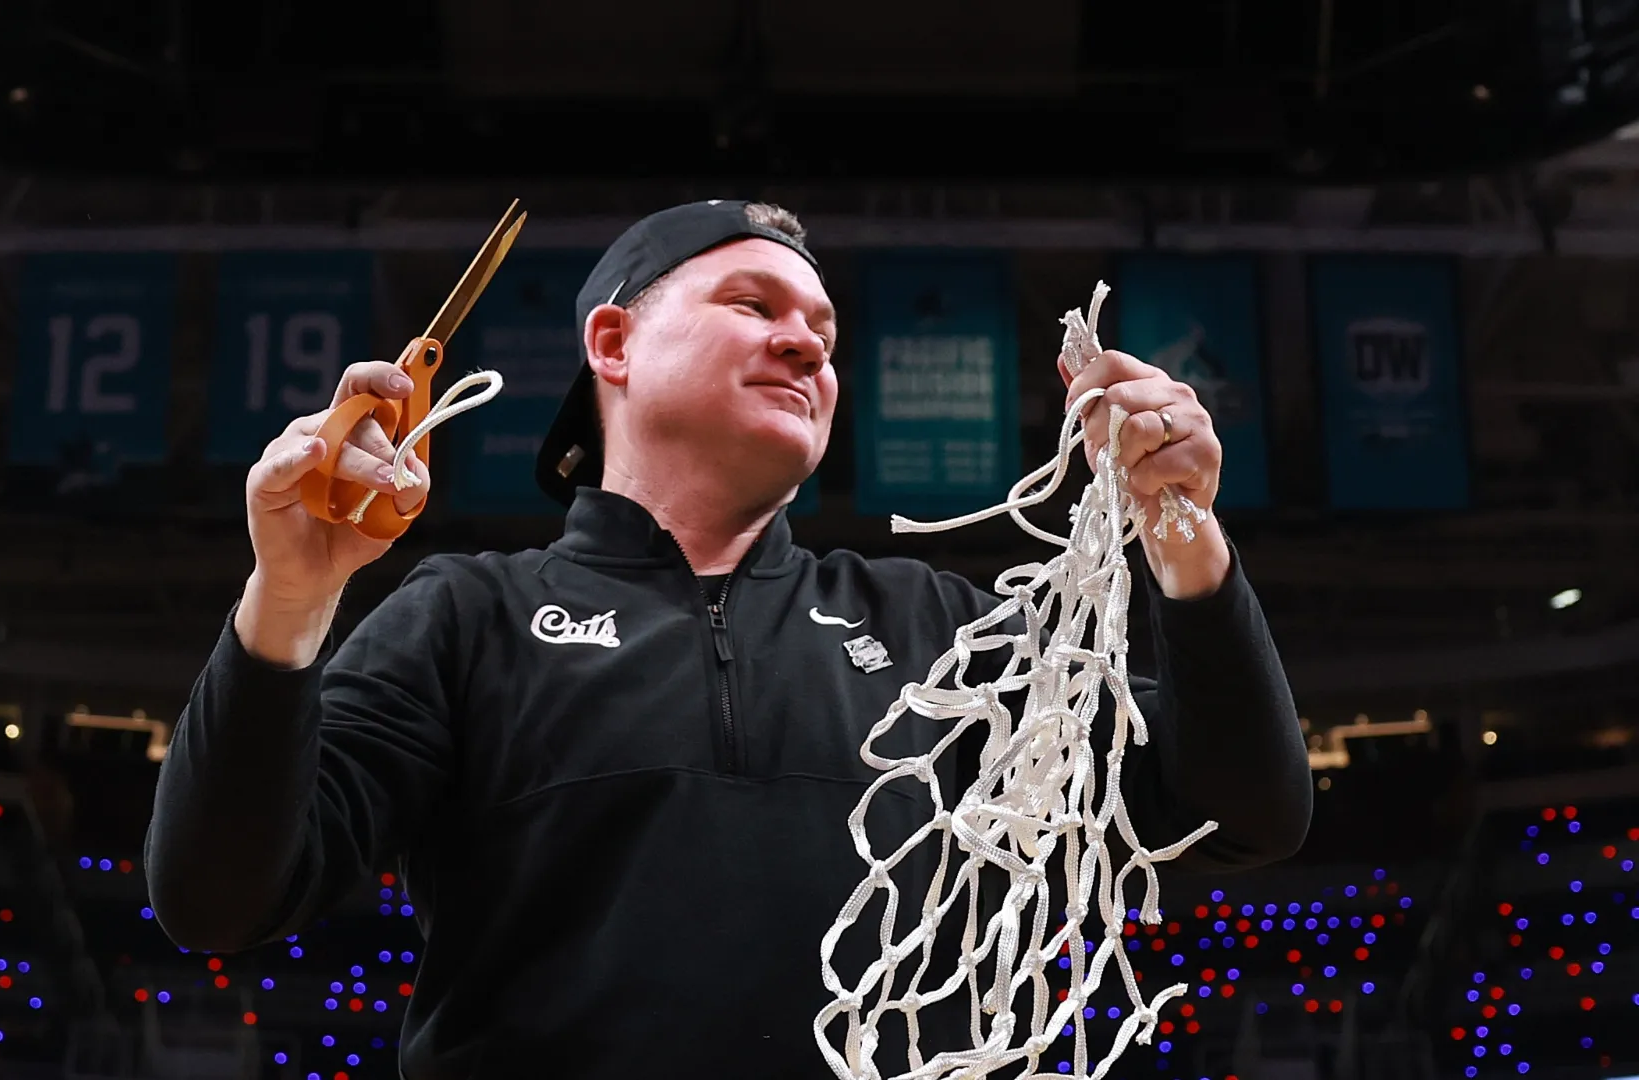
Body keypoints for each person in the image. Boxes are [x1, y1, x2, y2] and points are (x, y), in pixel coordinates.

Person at [144, 200, 1312, 1078]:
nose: (809, 346)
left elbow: (1247, 815)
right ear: (612, 343)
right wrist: (291, 593)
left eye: (826, 330)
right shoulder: (467, 617)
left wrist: (1185, 538)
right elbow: (217, 900)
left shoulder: (942, 629)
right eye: (753, 306)